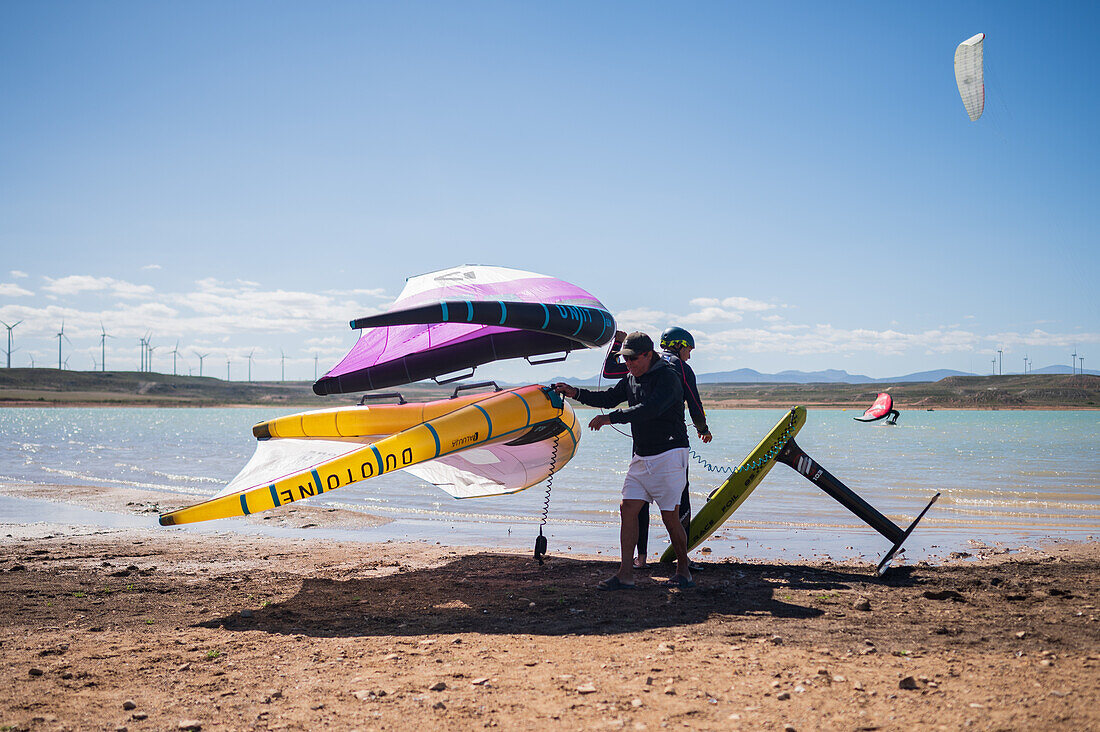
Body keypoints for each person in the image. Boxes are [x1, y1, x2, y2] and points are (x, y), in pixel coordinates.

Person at [552, 331, 694, 590]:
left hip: (670, 454)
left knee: (669, 517)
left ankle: (683, 569)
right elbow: (606, 397)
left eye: (633, 359)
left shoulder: (668, 378)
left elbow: (650, 409)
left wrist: (611, 418)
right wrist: (575, 392)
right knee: (627, 508)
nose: (628, 364)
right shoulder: (631, 378)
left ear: (649, 355)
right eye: (625, 359)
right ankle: (625, 573)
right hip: (642, 455)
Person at [603, 327, 713, 569]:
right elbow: (694, 401)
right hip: (670, 443)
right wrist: (702, 428)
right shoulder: (678, 367)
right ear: (679, 345)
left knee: (636, 501)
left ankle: (640, 558)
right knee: (678, 501)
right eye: (688, 349)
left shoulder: (643, 361)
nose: (689, 355)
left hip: (640, 442)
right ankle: (683, 559)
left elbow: (610, 371)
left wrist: (617, 345)